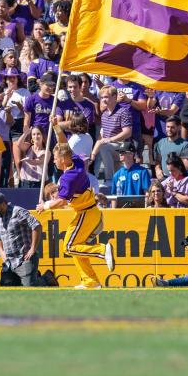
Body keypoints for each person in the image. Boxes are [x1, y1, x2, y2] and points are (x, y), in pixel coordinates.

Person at [38, 120, 114, 288]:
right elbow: (64, 144)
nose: (54, 162)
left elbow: (62, 201)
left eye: (56, 159)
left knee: (69, 247)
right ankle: (90, 282)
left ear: (63, 160)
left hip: (86, 214)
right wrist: (56, 127)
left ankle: (102, 250)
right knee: (76, 248)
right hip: (89, 213)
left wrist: (46, 206)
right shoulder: (77, 161)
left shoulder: (67, 178)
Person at [0, 190, 54, 286]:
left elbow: (36, 225)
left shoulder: (18, 212)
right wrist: (1, 251)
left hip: (24, 258)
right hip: (9, 261)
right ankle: (36, 277)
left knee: (29, 289)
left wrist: (32, 249)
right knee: (6, 288)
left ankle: (47, 279)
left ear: (3, 204)